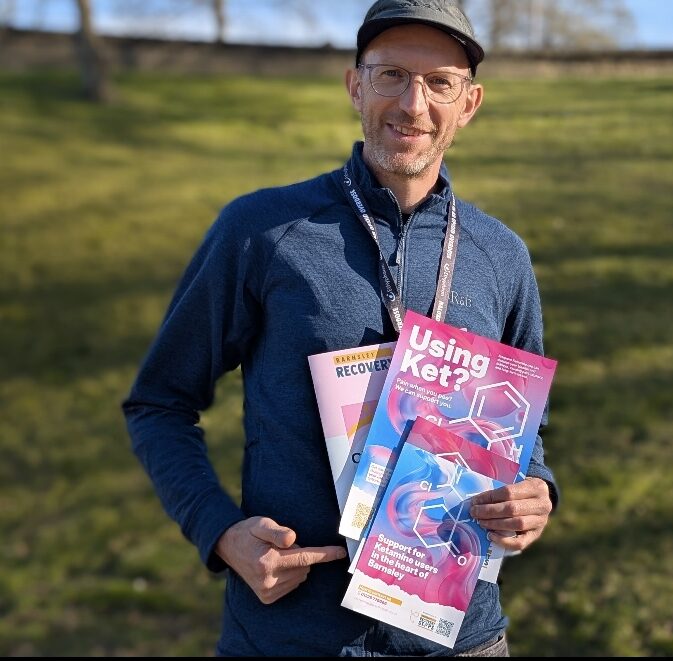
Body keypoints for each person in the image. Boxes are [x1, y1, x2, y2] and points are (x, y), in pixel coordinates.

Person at [121, 0, 558, 655]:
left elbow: (526, 429)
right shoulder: (262, 232)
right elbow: (158, 402)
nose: (413, 104)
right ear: (355, 86)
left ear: (469, 103)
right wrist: (221, 532)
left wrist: (537, 492)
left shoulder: (502, 255)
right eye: (391, 75)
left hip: (462, 636)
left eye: (440, 82)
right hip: (291, 635)